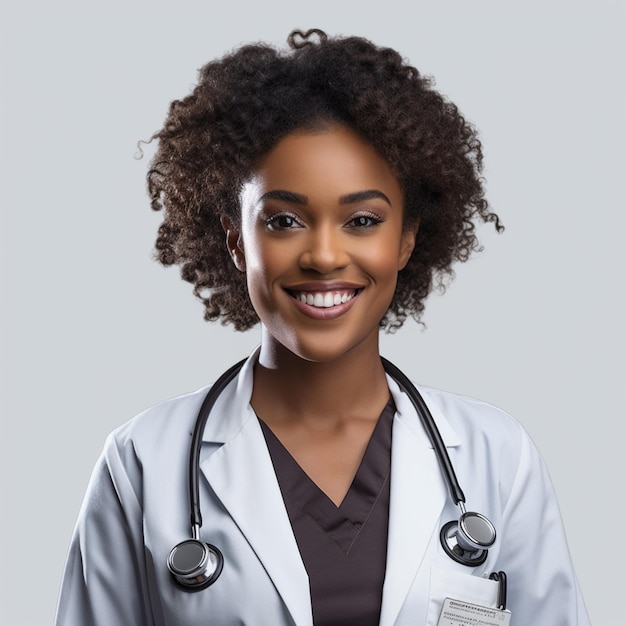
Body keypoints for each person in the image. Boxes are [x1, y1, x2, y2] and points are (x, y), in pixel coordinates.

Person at [55, 29, 590, 625]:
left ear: (407, 239)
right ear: (237, 240)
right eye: (284, 220)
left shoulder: (498, 457)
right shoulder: (141, 463)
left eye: (362, 220)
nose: (325, 256)